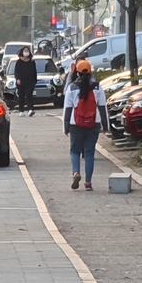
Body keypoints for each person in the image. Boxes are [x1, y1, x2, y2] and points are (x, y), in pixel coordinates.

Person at [63, 60, 108, 191]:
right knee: (89, 153)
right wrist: (105, 126)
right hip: (94, 124)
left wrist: (66, 127)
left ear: (77, 72)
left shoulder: (72, 87)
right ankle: (88, 183)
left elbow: (67, 109)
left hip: (75, 125)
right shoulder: (97, 87)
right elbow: (102, 107)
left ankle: (76, 172)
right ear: (91, 72)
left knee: (75, 151)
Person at [14, 45, 38, 117]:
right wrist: (18, 79)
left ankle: (30, 109)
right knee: (21, 96)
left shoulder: (32, 62)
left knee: (29, 95)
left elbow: (34, 72)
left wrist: (35, 81)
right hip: (21, 82)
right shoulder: (19, 62)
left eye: (27, 51)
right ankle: (21, 110)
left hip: (30, 82)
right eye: (25, 51)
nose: (26, 52)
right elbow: (16, 72)